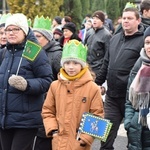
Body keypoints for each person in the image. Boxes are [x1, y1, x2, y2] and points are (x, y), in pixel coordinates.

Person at [0, 13, 53, 150]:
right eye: (8, 30)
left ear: (24, 31)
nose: (10, 33)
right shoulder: (4, 53)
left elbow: (47, 81)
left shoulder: (34, 51)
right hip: (5, 118)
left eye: (15, 29)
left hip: (26, 119)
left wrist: (27, 85)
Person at [95, 7, 144, 150]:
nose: (126, 21)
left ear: (138, 20)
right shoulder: (115, 38)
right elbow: (106, 63)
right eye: (124, 18)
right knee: (105, 136)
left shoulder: (143, 41)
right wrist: (96, 83)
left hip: (132, 99)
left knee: (134, 137)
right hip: (111, 97)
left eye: (130, 18)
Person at [42, 39, 104, 150]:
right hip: (58, 142)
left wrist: (85, 139)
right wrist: (54, 131)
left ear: (82, 65)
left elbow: (97, 116)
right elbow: (48, 110)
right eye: (67, 63)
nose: (71, 67)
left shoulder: (92, 88)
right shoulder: (55, 86)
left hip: (79, 144)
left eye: (75, 63)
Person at [32, 16, 62, 150]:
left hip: (50, 103)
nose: (35, 39)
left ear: (48, 37)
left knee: (45, 137)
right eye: (33, 35)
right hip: (34, 100)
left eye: (38, 36)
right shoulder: (32, 52)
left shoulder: (56, 55)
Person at [124, 26, 150, 150]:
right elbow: (129, 96)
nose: (149, 46)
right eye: (147, 42)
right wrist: (129, 121)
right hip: (137, 126)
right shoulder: (139, 64)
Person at [84, 10, 112, 76]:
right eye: (93, 18)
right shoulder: (89, 32)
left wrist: (103, 69)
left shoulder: (106, 35)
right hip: (87, 67)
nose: (94, 20)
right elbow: (84, 46)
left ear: (102, 21)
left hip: (98, 69)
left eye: (97, 19)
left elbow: (108, 54)